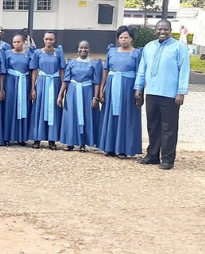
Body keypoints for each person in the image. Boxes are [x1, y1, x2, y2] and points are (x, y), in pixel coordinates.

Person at [134, 19, 190, 170]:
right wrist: (138, 88)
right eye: (159, 29)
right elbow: (142, 69)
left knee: (169, 128)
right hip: (152, 92)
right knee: (153, 126)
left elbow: (184, 70)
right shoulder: (149, 47)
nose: (162, 32)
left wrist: (181, 92)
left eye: (165, 29)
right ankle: (152, 155)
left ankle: (167, 159)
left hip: (170, 94)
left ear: (170, 30)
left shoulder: (179, 48)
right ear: (156, 30)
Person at [98, 27, 143, 158]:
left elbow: (140, 73)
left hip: (128, 88)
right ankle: (110, 147)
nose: (123, 40)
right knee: (111, 115)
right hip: (112, 86)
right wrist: (102, 89)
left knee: (126, 116)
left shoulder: (136, 53)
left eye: (126, 37)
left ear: (131, 39)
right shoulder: (111, 51)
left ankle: (124, 148)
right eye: (121, 37)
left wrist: (139, 91)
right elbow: (105, 70)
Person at [57, 40, 101, 151]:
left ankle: (83, 143)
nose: (83, 50)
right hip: (73, 92)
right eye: (81, 47)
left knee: (86, 116)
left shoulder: (94, 64)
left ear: (89, 50)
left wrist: (95, 97)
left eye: (86, 48)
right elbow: (66, 80)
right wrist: (60, 95)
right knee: (71, 116)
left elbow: (96, 82)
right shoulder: (71, 63)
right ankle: (70, 142)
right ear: (77, 49)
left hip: (87, 92)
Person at [29, 31, 65, 149]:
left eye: (51, 39)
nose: (49, 42)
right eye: (47, 39)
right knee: (39, 107)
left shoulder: (58, 53)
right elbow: (34, 70)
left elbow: (61, 70)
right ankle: (37, 138)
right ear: (43, 40)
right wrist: (33, 88)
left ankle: (52, 139)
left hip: (54, 83)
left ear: (55, 40)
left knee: (53, 108)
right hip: (42, 82)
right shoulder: (37, 53)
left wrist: (62, 89)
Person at [3, 33, 32, 146]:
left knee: (23, 106)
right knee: (10, 107)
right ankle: (7, 136)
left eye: (18, 42)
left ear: (24, 42)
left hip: (25, 81)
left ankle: (22, 136)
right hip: (11, 82)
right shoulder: (7, 53)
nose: (16, 44)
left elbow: (33, 68)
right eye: (14, 42)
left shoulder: (29, 54)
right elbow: (3, 69)